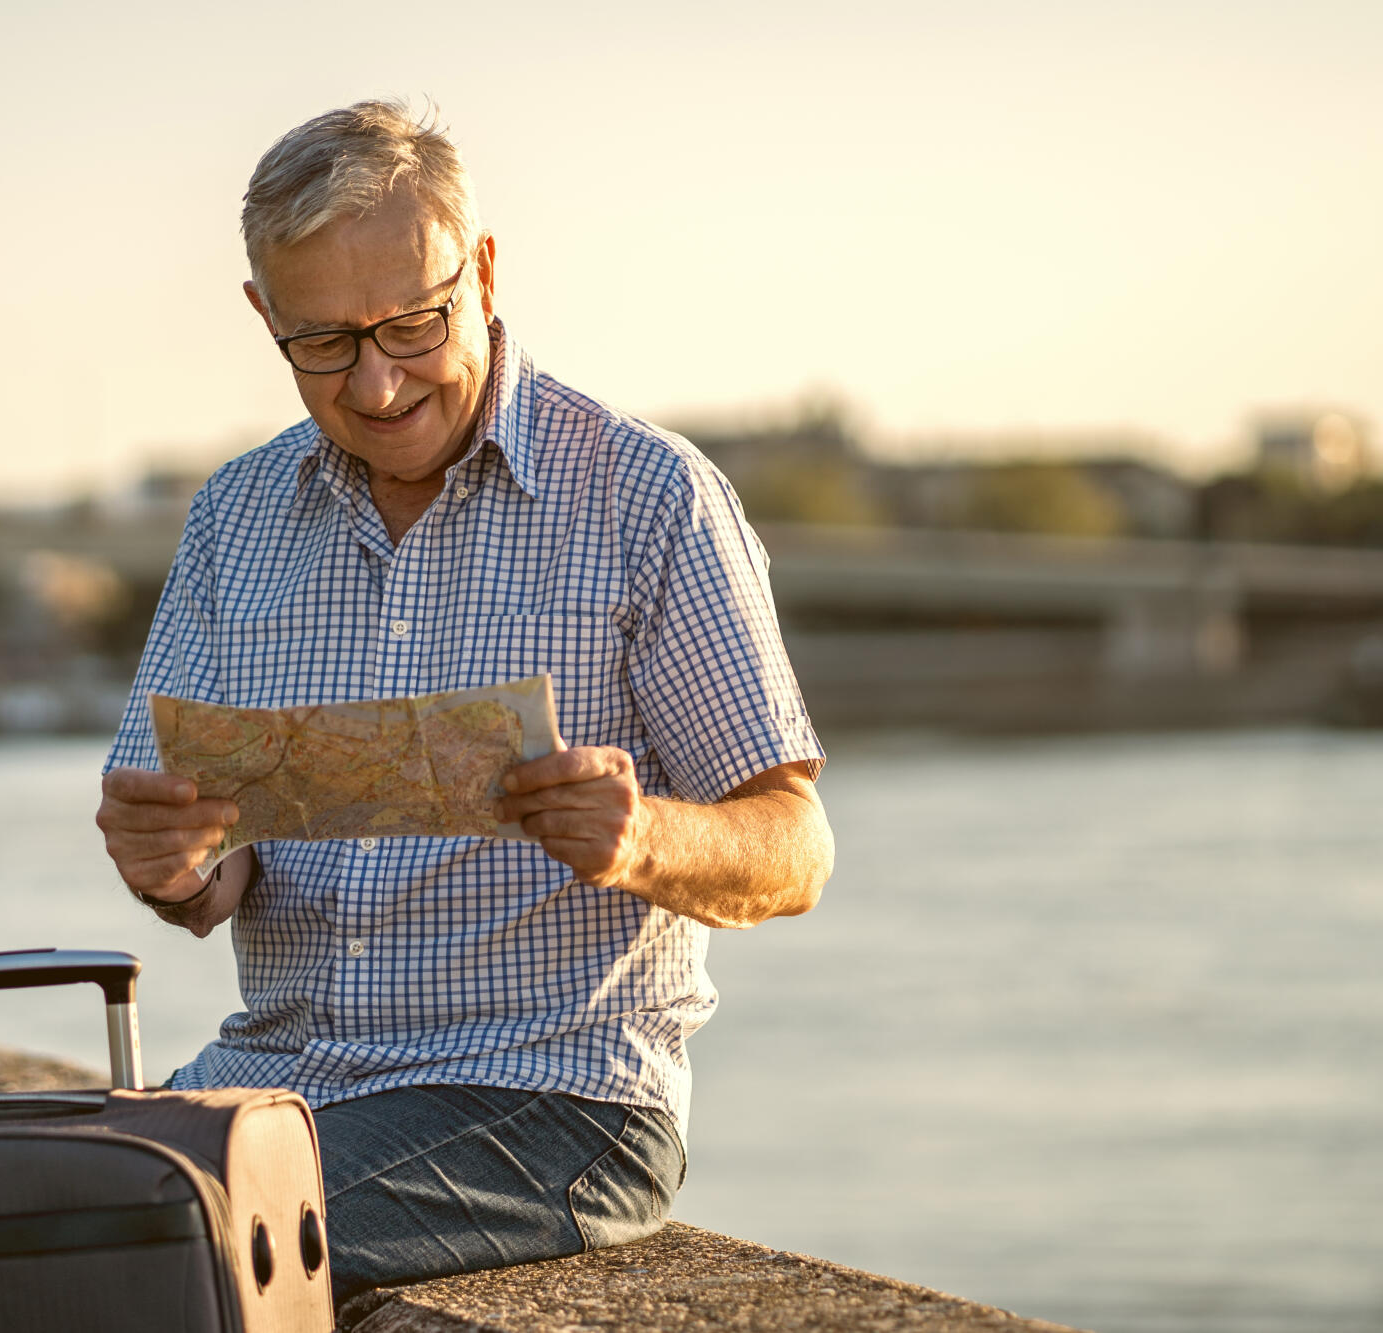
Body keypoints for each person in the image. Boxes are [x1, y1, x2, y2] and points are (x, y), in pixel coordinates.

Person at [95, 99, 833, 1304]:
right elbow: (203, 885)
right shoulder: (234, 517)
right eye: (323, 343)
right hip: (270, 1079)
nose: (377, 384)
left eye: (412, 325)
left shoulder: (649, 501)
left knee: (167, 1250)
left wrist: (643, 838)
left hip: (553, 1100)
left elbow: (794, 850)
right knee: (17, 1207)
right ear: (262, 316)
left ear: (483, 271)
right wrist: (168, 859)